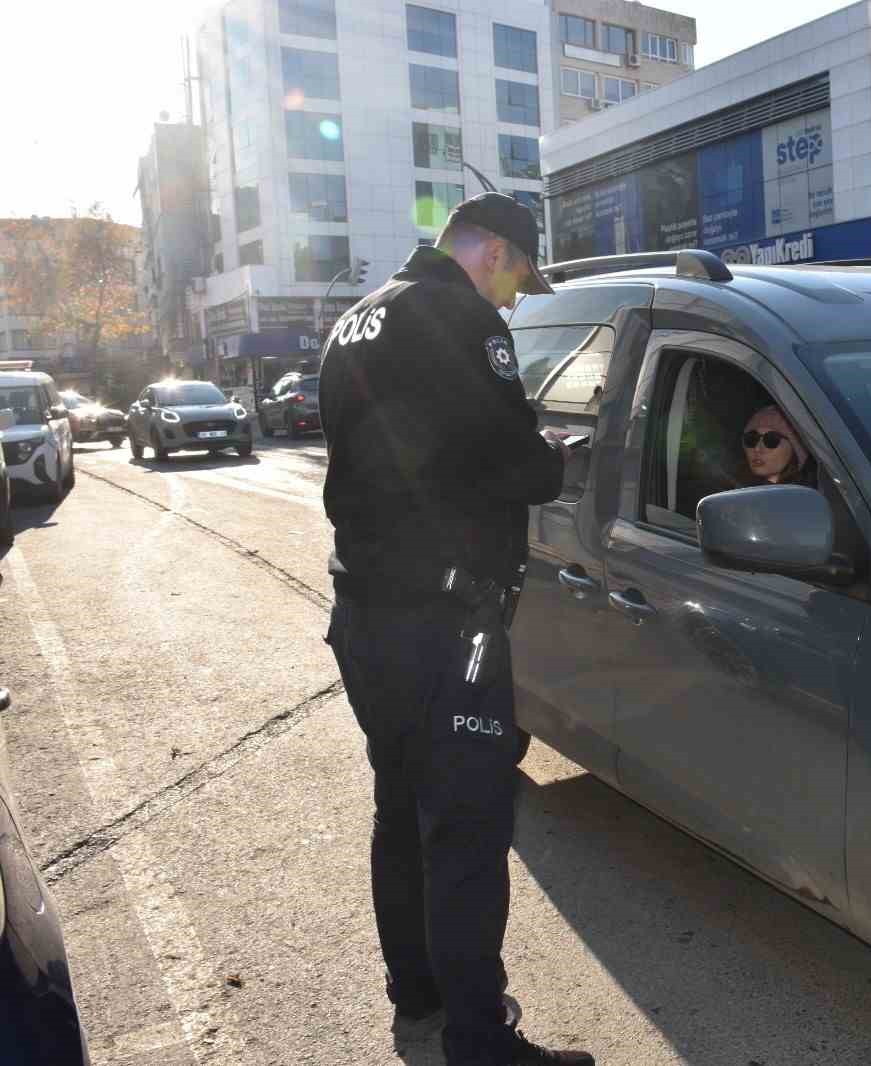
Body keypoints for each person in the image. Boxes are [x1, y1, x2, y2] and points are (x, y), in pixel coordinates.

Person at [319, 191, 593, 1066]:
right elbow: (514, 463)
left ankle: (420, 999)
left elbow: (423, 454)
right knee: (469, 831)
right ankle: (480, 1043)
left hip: (365, 618)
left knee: (400, 811)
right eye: (517, 278)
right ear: (492, 254)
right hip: (446, 626)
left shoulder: (357, 320)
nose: (514, 299)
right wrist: (559, 456)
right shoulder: (463, 321)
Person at [737, 404, 816, 487]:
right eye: (752, 438)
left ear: (794, 449)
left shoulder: (806, 496)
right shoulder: (732, 491)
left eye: (771, 440)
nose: (757, 448)